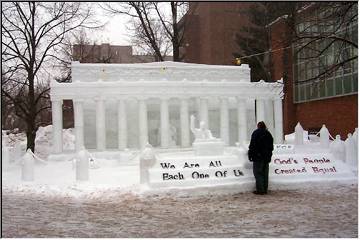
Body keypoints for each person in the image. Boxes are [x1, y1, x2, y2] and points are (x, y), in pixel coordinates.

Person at [248, 121, 274, 195]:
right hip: (266, 157)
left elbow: (252, 145)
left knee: (258, 173)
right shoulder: (268, 134)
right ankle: (265, 189)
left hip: (258, 157)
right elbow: (271, 147)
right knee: (265, 173)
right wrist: (269, 155)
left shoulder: (256, 133)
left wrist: (250, 155)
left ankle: (260, 190)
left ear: (258, 126)